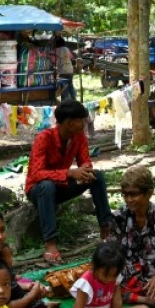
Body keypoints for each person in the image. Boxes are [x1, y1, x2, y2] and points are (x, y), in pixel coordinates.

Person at [25, 100, 112, 264]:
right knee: (46, 186)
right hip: (38, 190)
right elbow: (36, 174)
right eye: (80, 120)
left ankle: (106, 229)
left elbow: (85, 160)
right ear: (69, 123)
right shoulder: (44, 138)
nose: (83, 124)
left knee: (97, 176)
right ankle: (50, 243)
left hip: (62, 186)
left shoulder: (79, 137)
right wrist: (70, 173)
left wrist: (86, 170)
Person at [108, 166, 155, 308]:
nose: (129, 199)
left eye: (134, 194)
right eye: (125, 194)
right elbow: (112, 253)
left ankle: (144, 296)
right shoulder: (118, 217)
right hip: (127, 275)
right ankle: (146, 300)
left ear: (149, 193)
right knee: (102, 288)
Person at [65, 242, 152, 308]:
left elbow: (117, 301)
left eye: (113, 275)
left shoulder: (114, 278)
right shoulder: (85, 283)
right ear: (94, 266)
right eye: (106, 275)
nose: (110, 279)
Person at [54, 36, 76, 102]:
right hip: (70, 70)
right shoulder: (66, 48)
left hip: (63, 71)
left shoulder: (56, 50)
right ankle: (74, 100)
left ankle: (65, 102)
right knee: (70, 85)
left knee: (64, 87)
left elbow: (55, 61)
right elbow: (71, 57)